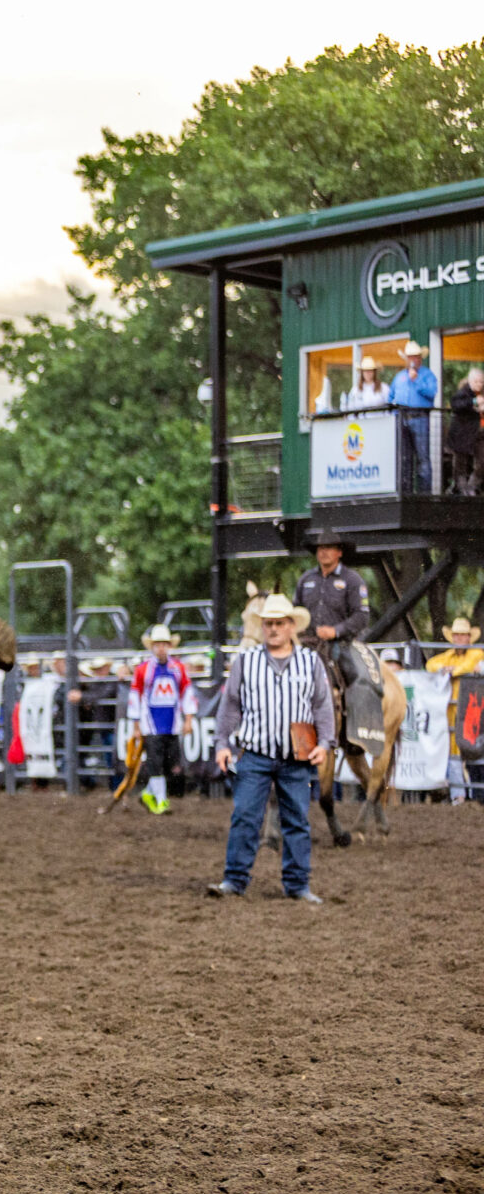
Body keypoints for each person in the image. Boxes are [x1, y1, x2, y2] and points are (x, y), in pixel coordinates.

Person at [208, 593, 333, 903]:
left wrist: (326, 742)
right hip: (255, 752)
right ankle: (234, 880)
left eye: (279, 623)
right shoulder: (246, 662)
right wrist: (222, 743)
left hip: (297, 755)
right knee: (246, 816)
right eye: (268, 624)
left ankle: (297, 884)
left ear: (292, 626)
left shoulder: (311, 661)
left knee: (297, 820)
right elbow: (231, 706)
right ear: (261, 627)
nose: (274, 629)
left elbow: (322, 706)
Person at [293, 529, 372, 695]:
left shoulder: (352, 580)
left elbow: (361, 616)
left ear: (339, 552)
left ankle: (352, 716)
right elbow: (295, 610)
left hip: (339, 644)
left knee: (353, 675)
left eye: (329, 547)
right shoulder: (306, 579)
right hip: (306, 642)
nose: (323, 552)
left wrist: (335, 631)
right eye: (320, 548)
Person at [128, 624, 195, 814]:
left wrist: (188, 719)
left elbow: (186, 693)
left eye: (164, 644)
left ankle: (150, 794)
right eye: (157, 644)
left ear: (169, 646)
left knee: (170, 764)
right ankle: (161, 800)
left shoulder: (178, 668)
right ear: (152, 646)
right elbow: (135, 696)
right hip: (152, 724)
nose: (161, 648)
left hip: (172, 724)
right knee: (155, 763)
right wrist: (136, 724)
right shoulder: (143, 670)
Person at [428, 617, 484, 804]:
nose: (460, 639)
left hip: (473, 711)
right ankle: (459, 797)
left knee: (475, 751)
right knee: (453, 752)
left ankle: (476, 795)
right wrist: (448, 668)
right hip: (452, 713)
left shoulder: (477, 653)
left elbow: (474, 665)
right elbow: (431, 665)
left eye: (463, 635)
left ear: (469, 638)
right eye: (457, 635)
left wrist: (453, 671)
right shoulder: (447, 657)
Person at [390, 340, 438, 494]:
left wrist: (416, 380)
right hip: (402, 419)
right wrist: (393, 413)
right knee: (405, 458)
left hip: (420, 418)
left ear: (420, 358)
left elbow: (432, 393)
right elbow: (390, 397)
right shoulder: (398, 377)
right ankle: (406, 492)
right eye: (410, 357)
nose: (413, 360)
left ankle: (424, 493)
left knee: (422, 457)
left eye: (415, 357)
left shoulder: (427, 375)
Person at [448, 368, 484, 496]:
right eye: (476, 381)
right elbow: (456, 404)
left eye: (481, 381)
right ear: (470, 380)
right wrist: (473, 402)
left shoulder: (482, 392)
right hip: (463, 433)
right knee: (460, 462)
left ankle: (472, 485)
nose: (479, 384)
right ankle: (461, 488)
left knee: (482, 461)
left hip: (479, 433)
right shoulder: (463, 392)